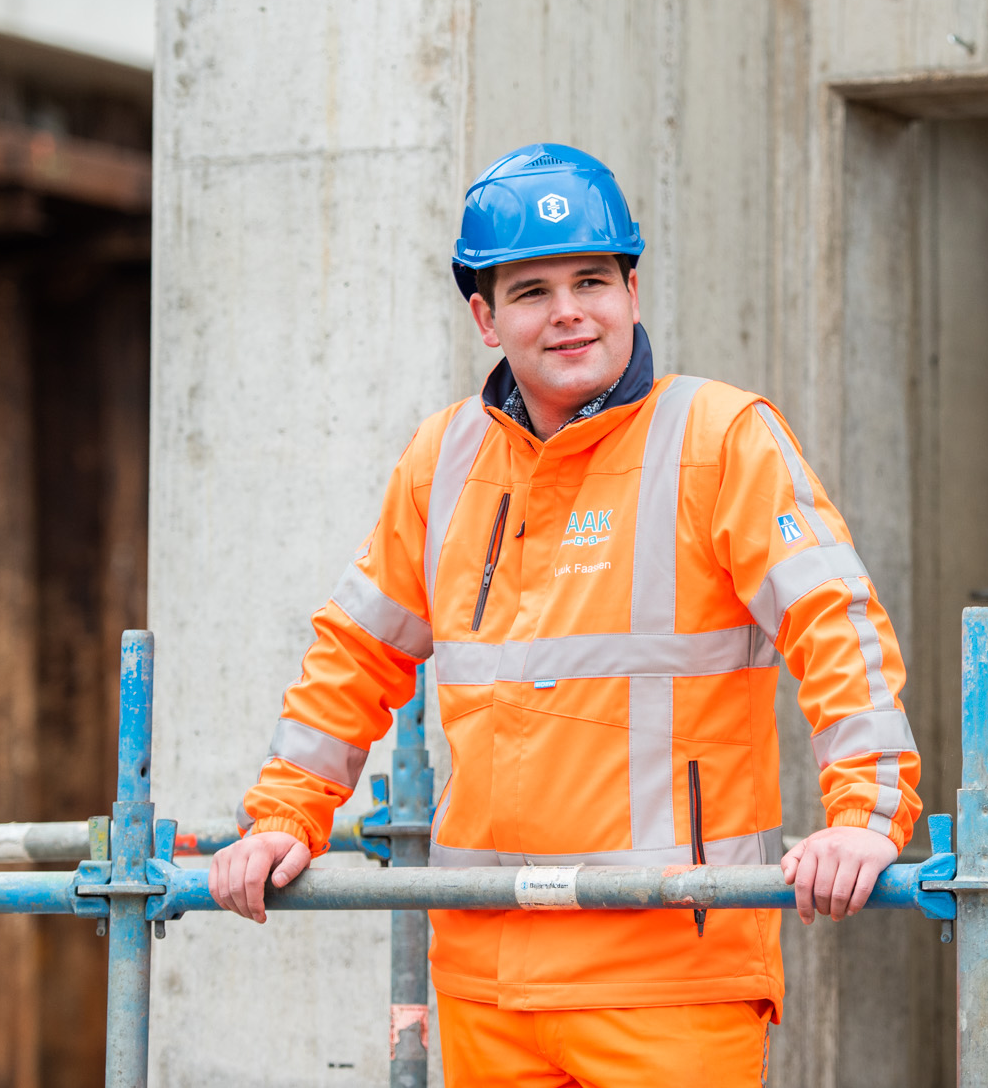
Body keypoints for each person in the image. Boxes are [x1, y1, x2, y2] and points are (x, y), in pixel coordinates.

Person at [208, 144, 921, 1086]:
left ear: (632, 289)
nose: (570, 310)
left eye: (593, 278)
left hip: (670, 975)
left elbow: (835, 622)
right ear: (486, 317)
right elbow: (356, 651)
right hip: (486, 981)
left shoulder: (718, 438)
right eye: (533, 290)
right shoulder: (444, 459)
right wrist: (285, 815)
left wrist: (867, 812)